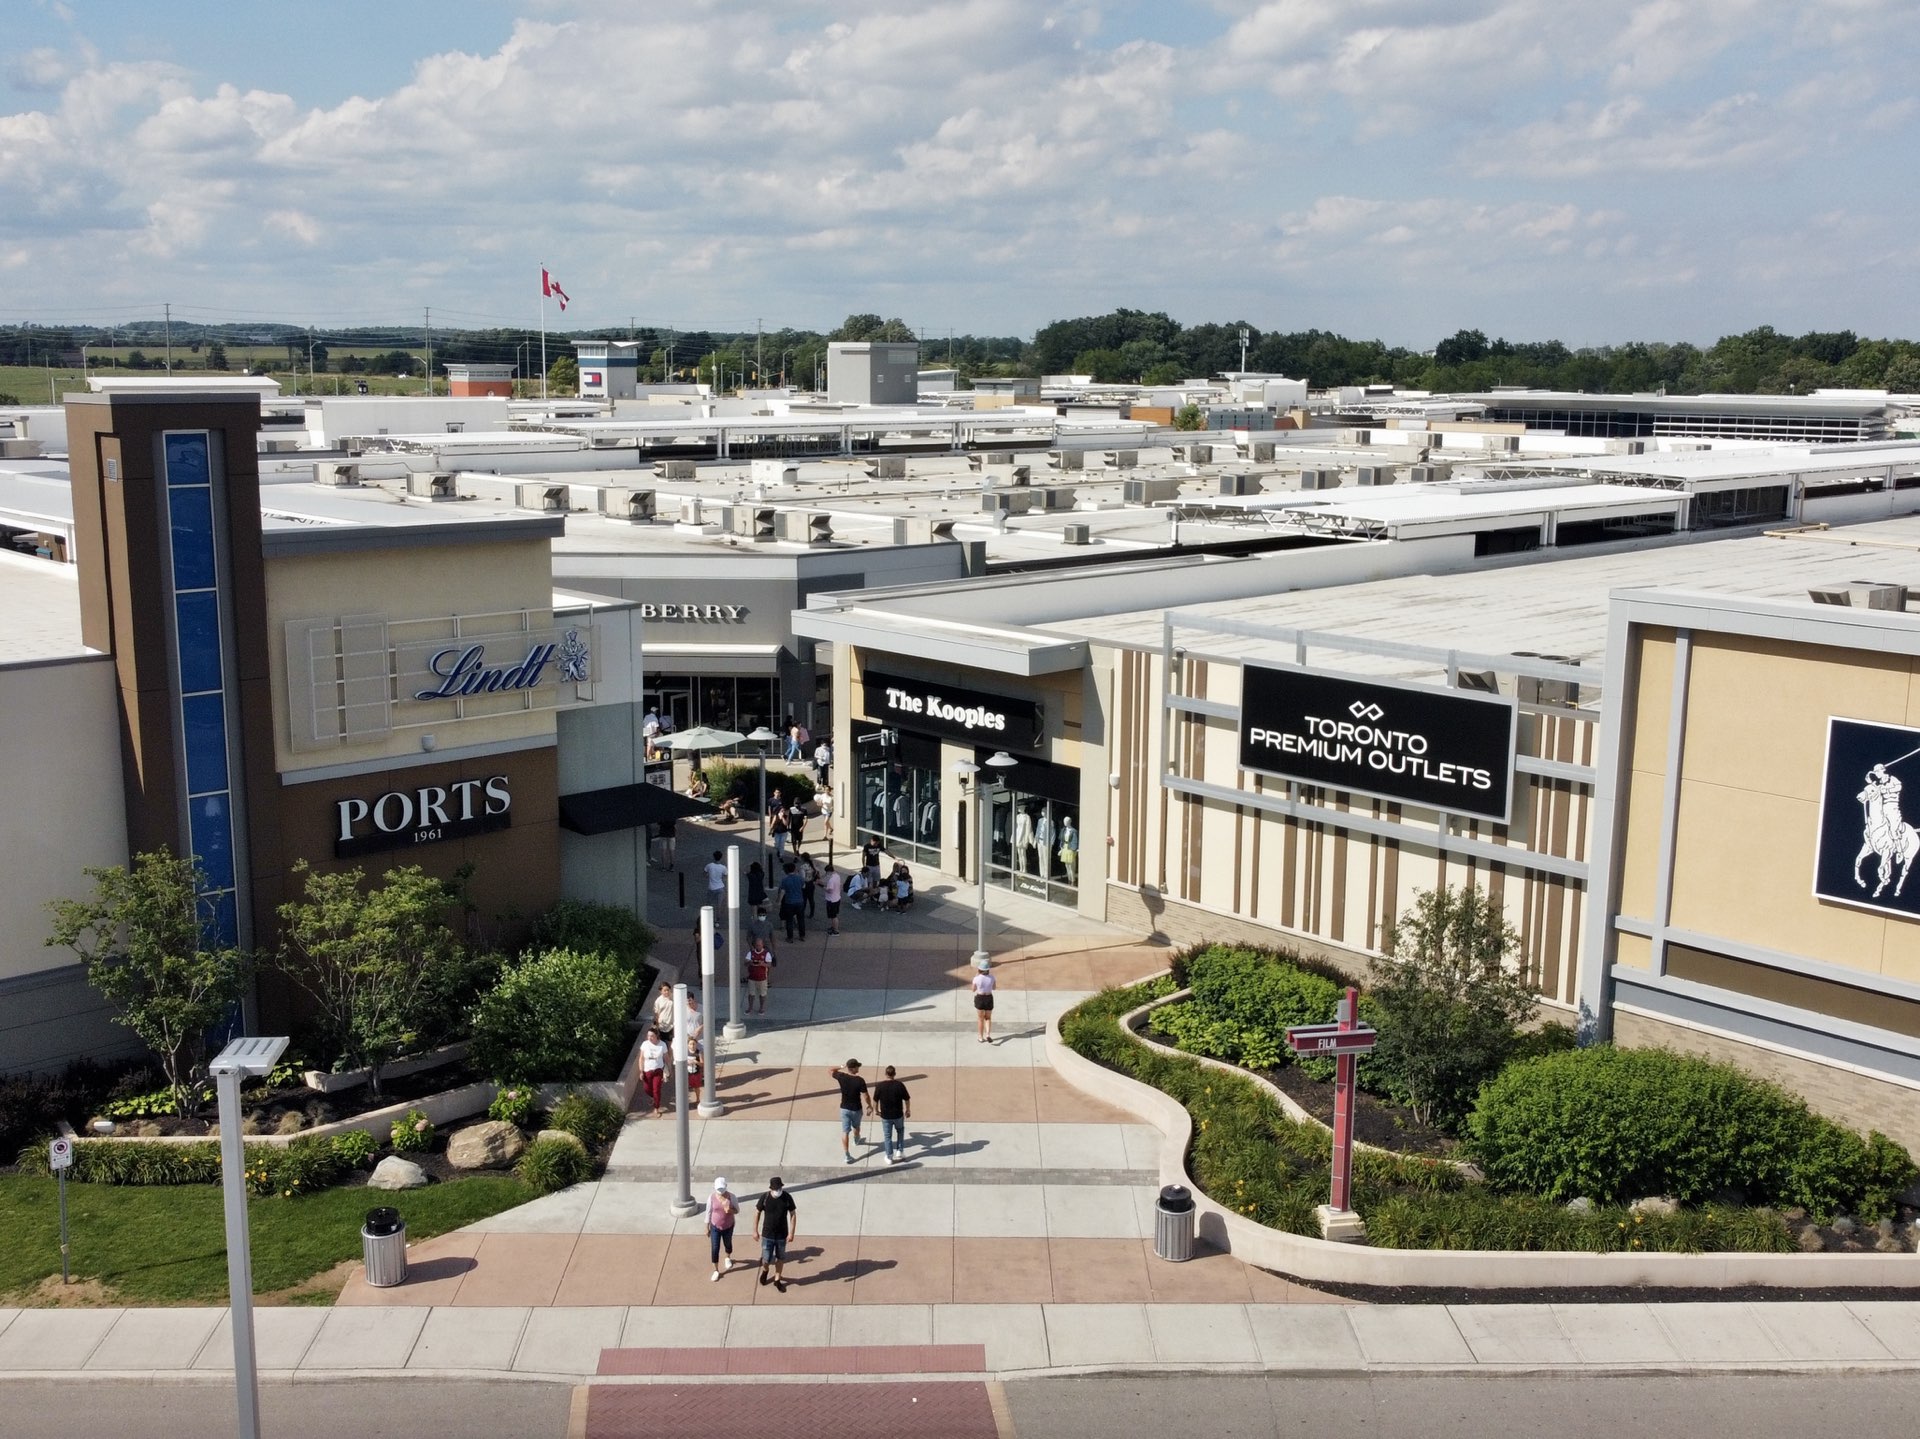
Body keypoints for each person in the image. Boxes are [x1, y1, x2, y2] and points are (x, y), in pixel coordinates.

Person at [755, 1176, 798, 1293]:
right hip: (767, 1235)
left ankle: (777, 1279)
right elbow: (757, 1213)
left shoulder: (787, 1197)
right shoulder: (765, 1197)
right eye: (775, 1188)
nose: (778, 1190)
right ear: (771, 1188)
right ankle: (765, 1270)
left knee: (780, 1258)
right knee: (766, 1259)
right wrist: (755, 1230)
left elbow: (793, 1214)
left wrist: (791, 1233)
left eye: (779, 1188)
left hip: (781, 1235)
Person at [831, 1058, 871, 1162]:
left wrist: (841, 1067)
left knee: (845, 1132)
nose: (858, 1068)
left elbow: (830, 1070)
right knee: (856, 1126)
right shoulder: (860, 1080)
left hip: (844, 1108)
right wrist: (869, 1105)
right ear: (853, 1068)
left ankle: (847, 1155)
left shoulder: (841, 1077)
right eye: (857, 1066)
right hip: (856, 1109)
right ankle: (856, 1139)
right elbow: (865, 1096)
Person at [873, 1064, 912, 1165]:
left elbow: (875, 1100)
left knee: (887, 1136)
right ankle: (900, 1151)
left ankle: (889, 1156)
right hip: (898, 1114)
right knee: (900, 1131)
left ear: (886, 1074)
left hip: (885, 1115)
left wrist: (876, 1110)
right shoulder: (899, 1085)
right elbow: (907, 1099)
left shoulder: (880, 1086)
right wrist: (908, 1110)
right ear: (894, 1074)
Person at [708, 1177, 739, 1281]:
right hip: (715, 1226)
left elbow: (737, 1210)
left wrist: (730, 1210)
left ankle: (727, 1257)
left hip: (728, 1226)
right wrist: (706, 1227)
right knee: (715, 1248)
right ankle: (716, 1270)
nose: (720, 1191)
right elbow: (708, 1212)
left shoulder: (732, 1197)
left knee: (728, 1243)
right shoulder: (711, 1197)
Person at [640, 1026, 668, 1115]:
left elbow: (666, 1058)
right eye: (648, 1036)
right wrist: (641, 1071)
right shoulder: (645, 1044)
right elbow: (641, 1058)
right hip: (647, 1070)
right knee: (647, 1089)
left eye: (652, 1036)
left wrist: (669, 1069)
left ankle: (656, 1107)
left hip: (658, 1070)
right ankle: (653, 1097)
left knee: (656, 1090)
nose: (650, 1038)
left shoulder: (662, 1044)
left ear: (656, 1036)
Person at [778, 859, 807, 942]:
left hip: (789, 902)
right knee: (801, 919)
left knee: (789, 920)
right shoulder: (800, 878)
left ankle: (790, 937)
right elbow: (804, 886)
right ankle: (802, 936)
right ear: (794, 869)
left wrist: (779, 901)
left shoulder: (785, 880)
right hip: (800, 901)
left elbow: (783, 891)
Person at [745, 935, 775, 1015]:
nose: (758, 946)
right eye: (757, 945)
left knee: (762, 994)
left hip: (762, 978)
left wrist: (762, 964)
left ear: (762, 945)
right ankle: (750, 1007)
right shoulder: (751, 953)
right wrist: (750, 962)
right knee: (751, 994)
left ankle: (761, 1008)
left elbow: (769, 965)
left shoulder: (766, 954)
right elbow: (746, 963)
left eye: (759, 945)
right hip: (752, 977)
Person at [971, 962, 997, 1044]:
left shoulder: (977, 978)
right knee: (988, 1018)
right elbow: (994, 988)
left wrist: (976, 977)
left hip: (980, 998)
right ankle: (988, 1034)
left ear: (979, 969)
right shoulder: (992, 977)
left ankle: (980, 1037)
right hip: (989, 997)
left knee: (980, 1019)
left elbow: (973, 989)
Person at [822, 866, 844, 935]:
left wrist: (823, 888)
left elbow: (830, 890)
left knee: (833, 916)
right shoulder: (837, 876)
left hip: (831, 900)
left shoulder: (831, 880)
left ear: (828, 871)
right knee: (833, 915)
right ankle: (833, 927)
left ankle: (836, 931)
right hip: (837, 898)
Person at [800, 852, 819, 920]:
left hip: (805, 884)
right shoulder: (812, 865)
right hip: (811, 883)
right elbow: (817, 871)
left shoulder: (803, 867)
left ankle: (802, 912)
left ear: (803, 858)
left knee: (804, 899)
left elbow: (802, 878)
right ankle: (812, 913)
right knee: (811, 899)